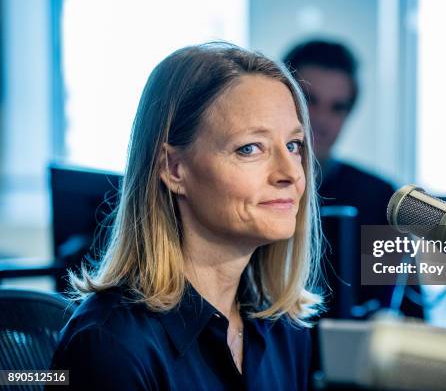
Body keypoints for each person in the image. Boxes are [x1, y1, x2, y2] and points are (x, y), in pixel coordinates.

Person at [49, 42, 324, 390]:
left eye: (293, 146)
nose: (291, 174)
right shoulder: (110, 345)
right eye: (250, 148)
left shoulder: (284, 329)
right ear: (174, 168)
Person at [283, 39, 423, 319]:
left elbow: (408, 320)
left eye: (338, 108)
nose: (321, 120)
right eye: (310, 101)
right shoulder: (249, 189)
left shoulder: (380, 198)